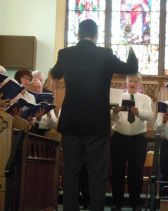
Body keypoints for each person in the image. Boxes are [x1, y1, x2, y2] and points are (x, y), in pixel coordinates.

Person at [50, 19, 138, 211]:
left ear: (78, 34)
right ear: (96, 35)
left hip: (71, 122)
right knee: (97, 174)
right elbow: (131, 68)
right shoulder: (104, 54)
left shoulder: (65, 54)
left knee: (71, 174)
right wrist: (130, 43)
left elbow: (55, 74)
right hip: (96, 123)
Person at [110, 73, 153, 210]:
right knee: (117, 172)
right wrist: (115, 112)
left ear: (140, 83)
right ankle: (117, 203)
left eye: (135, 81)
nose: (132, 83)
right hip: (119, 138)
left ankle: (135, 202)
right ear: (126, 82)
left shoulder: (145, 98)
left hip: (138, 139)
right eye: (130, 81)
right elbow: (108, 119)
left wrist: (138, 111)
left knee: (136, 172)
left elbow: (150, 116)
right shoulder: (119, 97)